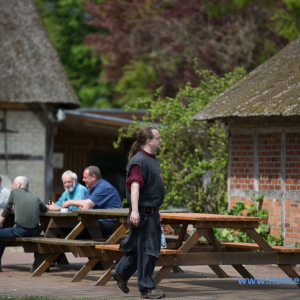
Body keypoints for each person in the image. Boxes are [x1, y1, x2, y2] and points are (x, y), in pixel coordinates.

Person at [111, 126, 166, 299]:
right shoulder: (139, 160)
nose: (161, 140)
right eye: (158, 137)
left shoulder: (152, 160)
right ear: (149, 141)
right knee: (148, 251)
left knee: (141, 250)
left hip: (151, 213)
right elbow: (135, 187)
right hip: (143, 214)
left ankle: (120, 272)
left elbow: (151, 189)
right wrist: (134, 211)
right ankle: (146, 289)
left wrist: (157, 210)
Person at [0, 176, 48, 271]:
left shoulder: (14, 192)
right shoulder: (34, 194)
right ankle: (40, 264)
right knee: (39, 238)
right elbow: (44, 209)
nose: (12, 186)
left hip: (21, 230)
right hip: (35, 231)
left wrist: (0, 221)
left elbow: (7, 208)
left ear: (18, 185)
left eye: (13, 184)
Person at [62, 166, 123, 237]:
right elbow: (85, 204)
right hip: (97, 221)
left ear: (93, 177)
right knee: (64, 230)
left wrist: (69, 202)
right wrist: (85, 207)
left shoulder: (103, 187)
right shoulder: (91, 188)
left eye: (85, 177)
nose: (83, 179)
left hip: (110, 223)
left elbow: (87, 203)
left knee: (67, 232)